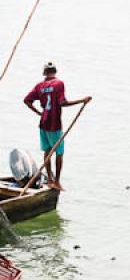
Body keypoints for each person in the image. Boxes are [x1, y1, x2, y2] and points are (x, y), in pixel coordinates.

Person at [23, 62, 92, 191]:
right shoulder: (58, 84)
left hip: (43, 123)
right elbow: (62, 103)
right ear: (55, 71)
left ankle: (49, 179)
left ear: (44, 73)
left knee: (47, 151)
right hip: (55, 124)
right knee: (59, 153)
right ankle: (57, 182)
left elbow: (26, 100)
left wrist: (40, 113)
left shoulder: (39, 86)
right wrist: (82, 100)